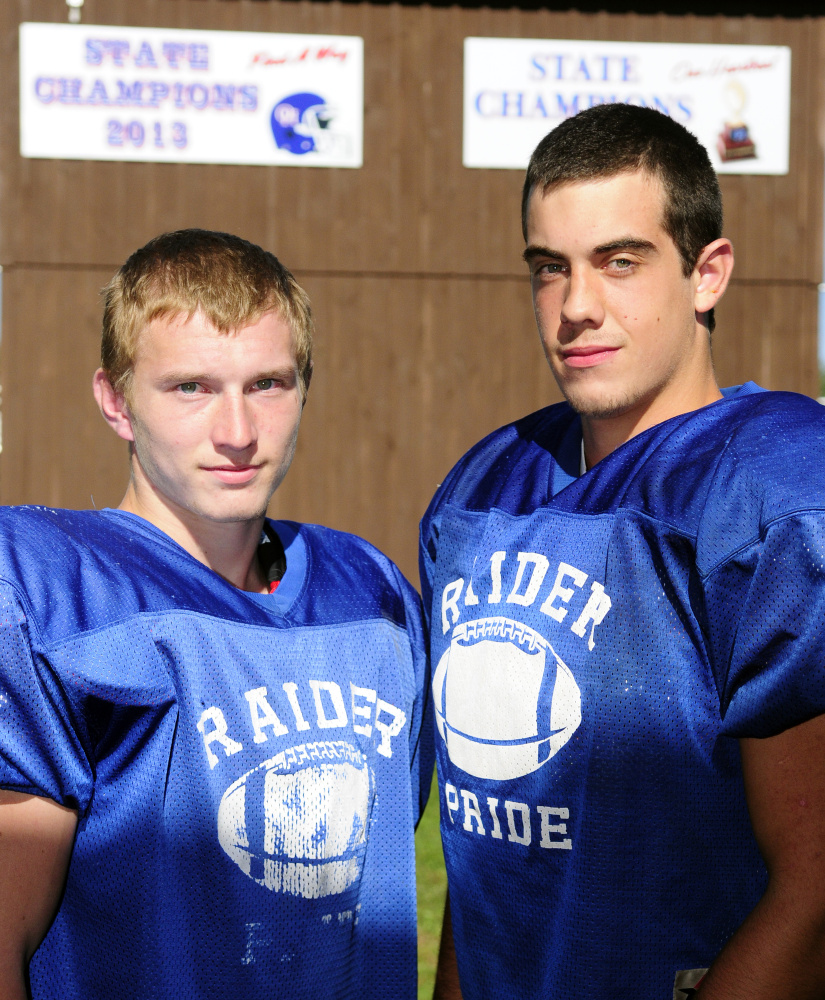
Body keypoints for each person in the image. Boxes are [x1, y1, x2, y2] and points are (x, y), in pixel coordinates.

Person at [420, 104, 825, 1000]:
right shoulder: (479, 490)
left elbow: (816, 888)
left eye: (620, 261)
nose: (575, 307)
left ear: (706, 273)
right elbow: (484, 851)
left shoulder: (775, 487)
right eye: (548, 269)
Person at [0, 229, 431, 1000]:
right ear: (115, 400)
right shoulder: (54, 591)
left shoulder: (372, 594)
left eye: (267, 383)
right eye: (190, 388)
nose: (236, 433)